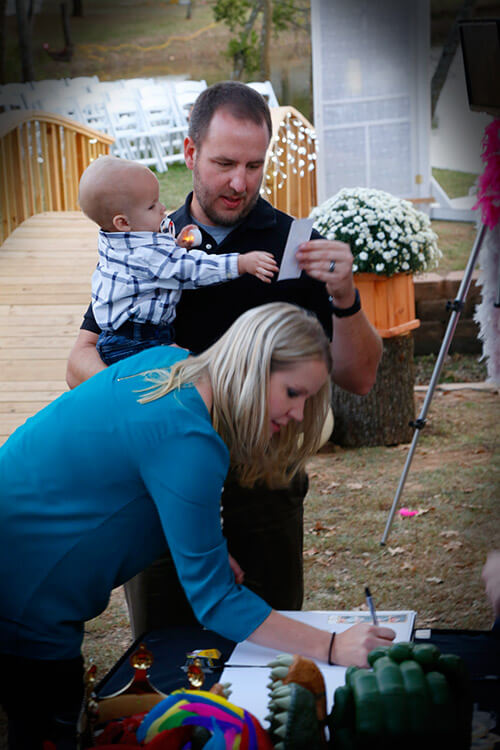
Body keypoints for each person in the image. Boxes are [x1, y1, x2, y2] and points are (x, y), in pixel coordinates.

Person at [66, 80, 383, 638]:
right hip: (161, 497)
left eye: (255, 166)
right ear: (189, 153)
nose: (240, 183)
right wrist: (152, 410)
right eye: (224, 163)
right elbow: (81, 360)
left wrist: (345, 296)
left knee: (273, 666)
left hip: (264, 493)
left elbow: (359, 377)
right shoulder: (145, 238)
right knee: (167, 674)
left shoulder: (293, 244)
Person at [0, 303, 395, 750]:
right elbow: (216, 601)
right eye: (292, 392)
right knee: (48, 730)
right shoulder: (190, 441)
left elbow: (126, 473)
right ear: (252, 368)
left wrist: (205, 544)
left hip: (19, 566)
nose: (300, 415)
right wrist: (332, 646)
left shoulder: (168, 362)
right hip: (25, 604)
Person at [78, 155, 278, 365]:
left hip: (118, 338)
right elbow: (191, 269)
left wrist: (174, 245)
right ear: (122, 222)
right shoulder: (147, 255)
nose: (163, 207)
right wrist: (241, 263)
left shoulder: (114, 241)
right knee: (187, 369)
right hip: (138, 341)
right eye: (152, 206)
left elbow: (153, 264)